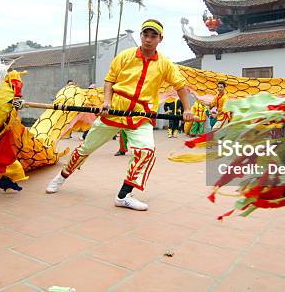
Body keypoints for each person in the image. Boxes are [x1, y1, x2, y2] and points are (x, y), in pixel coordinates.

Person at [45, 19, 194, 210]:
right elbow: (109, 80)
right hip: (115, 110)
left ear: (160, 39)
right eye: (145, 35)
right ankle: (61, 177)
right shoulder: (125, 56)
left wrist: (187, 110)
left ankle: (124, 195)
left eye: (153, 36)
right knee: (85, 148)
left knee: (146, 151)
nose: (148, 39)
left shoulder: (165, 64)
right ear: (141, 36)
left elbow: (180, 86)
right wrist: (106, 102)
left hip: (140, 114)